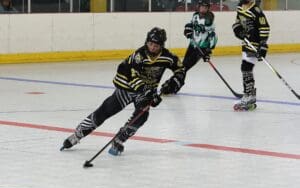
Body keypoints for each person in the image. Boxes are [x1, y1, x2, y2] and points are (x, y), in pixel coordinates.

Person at [60, 27, 186, 155]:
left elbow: (180, 70)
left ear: (162, 45)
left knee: (142, 115)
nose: (152, 47)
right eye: (150, 44)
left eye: (156, 45)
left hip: (145, 91)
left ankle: (119, 139)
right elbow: (129, 74)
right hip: (127, 87)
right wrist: (146, 91)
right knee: (105, 111)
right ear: (146, 42)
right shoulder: (139, 55)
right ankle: (78, 134)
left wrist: (175, 82)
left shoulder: (168, 57)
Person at [232, 0, 270, 111]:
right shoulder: (240, 6)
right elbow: (237, 22)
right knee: (245, 69)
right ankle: (250, 95)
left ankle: (249, 95)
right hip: (246, 43)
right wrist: (238, 30)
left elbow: (265, 28)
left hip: (255, 44)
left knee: (246, 68)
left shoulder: (256, 10)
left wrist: (263, 45)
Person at [181, 0, 217, 78]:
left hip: (201, 48)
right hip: (192, 44)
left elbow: (213, 37)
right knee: (182, 66)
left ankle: (176, 82)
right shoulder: (195, 16)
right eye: (202, 7)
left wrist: (207, 51)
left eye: (206, 7)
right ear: (199, 7)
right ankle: (177, 81)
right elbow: (190, 25)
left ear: (208, 8)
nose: (204, 9)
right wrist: (187, 30)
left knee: (184, 67)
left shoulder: (209, 20)